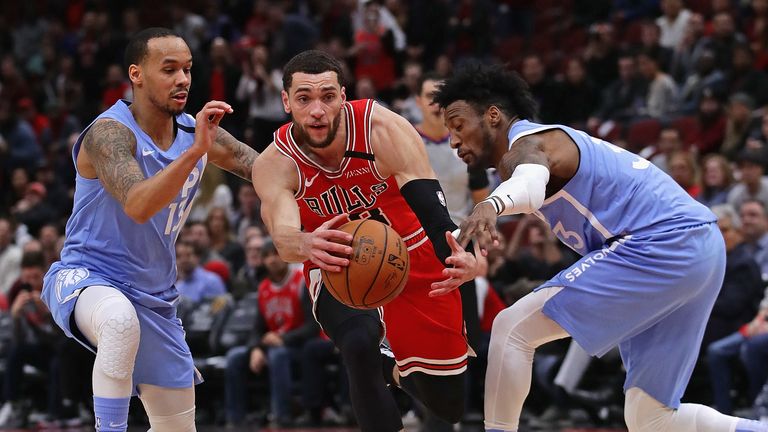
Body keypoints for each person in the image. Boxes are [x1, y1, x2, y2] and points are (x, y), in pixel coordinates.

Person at [433, 63, 768, 432]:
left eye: (459, 124)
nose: (453, 140)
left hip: (660, 243)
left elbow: (528, 184)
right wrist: (477, 254)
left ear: (493, 116)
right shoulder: (534, 150)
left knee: (512, 328)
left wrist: (490, 205)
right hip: (699, 248)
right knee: (651, 419)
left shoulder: (530, 143)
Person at [40, 28, 258, 432]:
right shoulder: (109, 133)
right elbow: (139, 204)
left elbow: (263, 170)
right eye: (169, 69)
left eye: (188, 70)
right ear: (136, 75)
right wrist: (196, 153)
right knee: (120, 322)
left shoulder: (196, 132)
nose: (183, 80)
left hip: (155, 298)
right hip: (90, 277)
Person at [251, 50, 479, 432]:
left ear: (343, 95)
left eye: (327, 96)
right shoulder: (275, 163)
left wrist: (459, 255)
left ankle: (392, 366)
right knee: (358, 344)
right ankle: (375, 357)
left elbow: (432, 211)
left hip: (411, 252)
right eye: (304, 98)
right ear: (286, 102)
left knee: (449, 405)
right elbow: (284, 239)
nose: (317, 110)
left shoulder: (383, 128)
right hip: (336, 262)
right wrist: (307, 244)